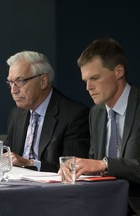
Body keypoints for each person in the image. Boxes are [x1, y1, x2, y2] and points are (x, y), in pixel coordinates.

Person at [70, 37, 140, 215]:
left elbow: (101, 164)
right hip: (103, 205)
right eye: (85, 80)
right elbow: (94, 162)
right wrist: (77, 169)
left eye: (95, 78)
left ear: (118, 71)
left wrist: (104, 164)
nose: (88, 87)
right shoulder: (96, 113)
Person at [3, 51, 90, 172]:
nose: (13, 90)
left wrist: (31, 164)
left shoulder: (74, 115)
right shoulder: (16, 114)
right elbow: (8, 153)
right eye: (10, 83)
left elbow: (72, 169)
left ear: (43, 81)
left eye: (20, 81)